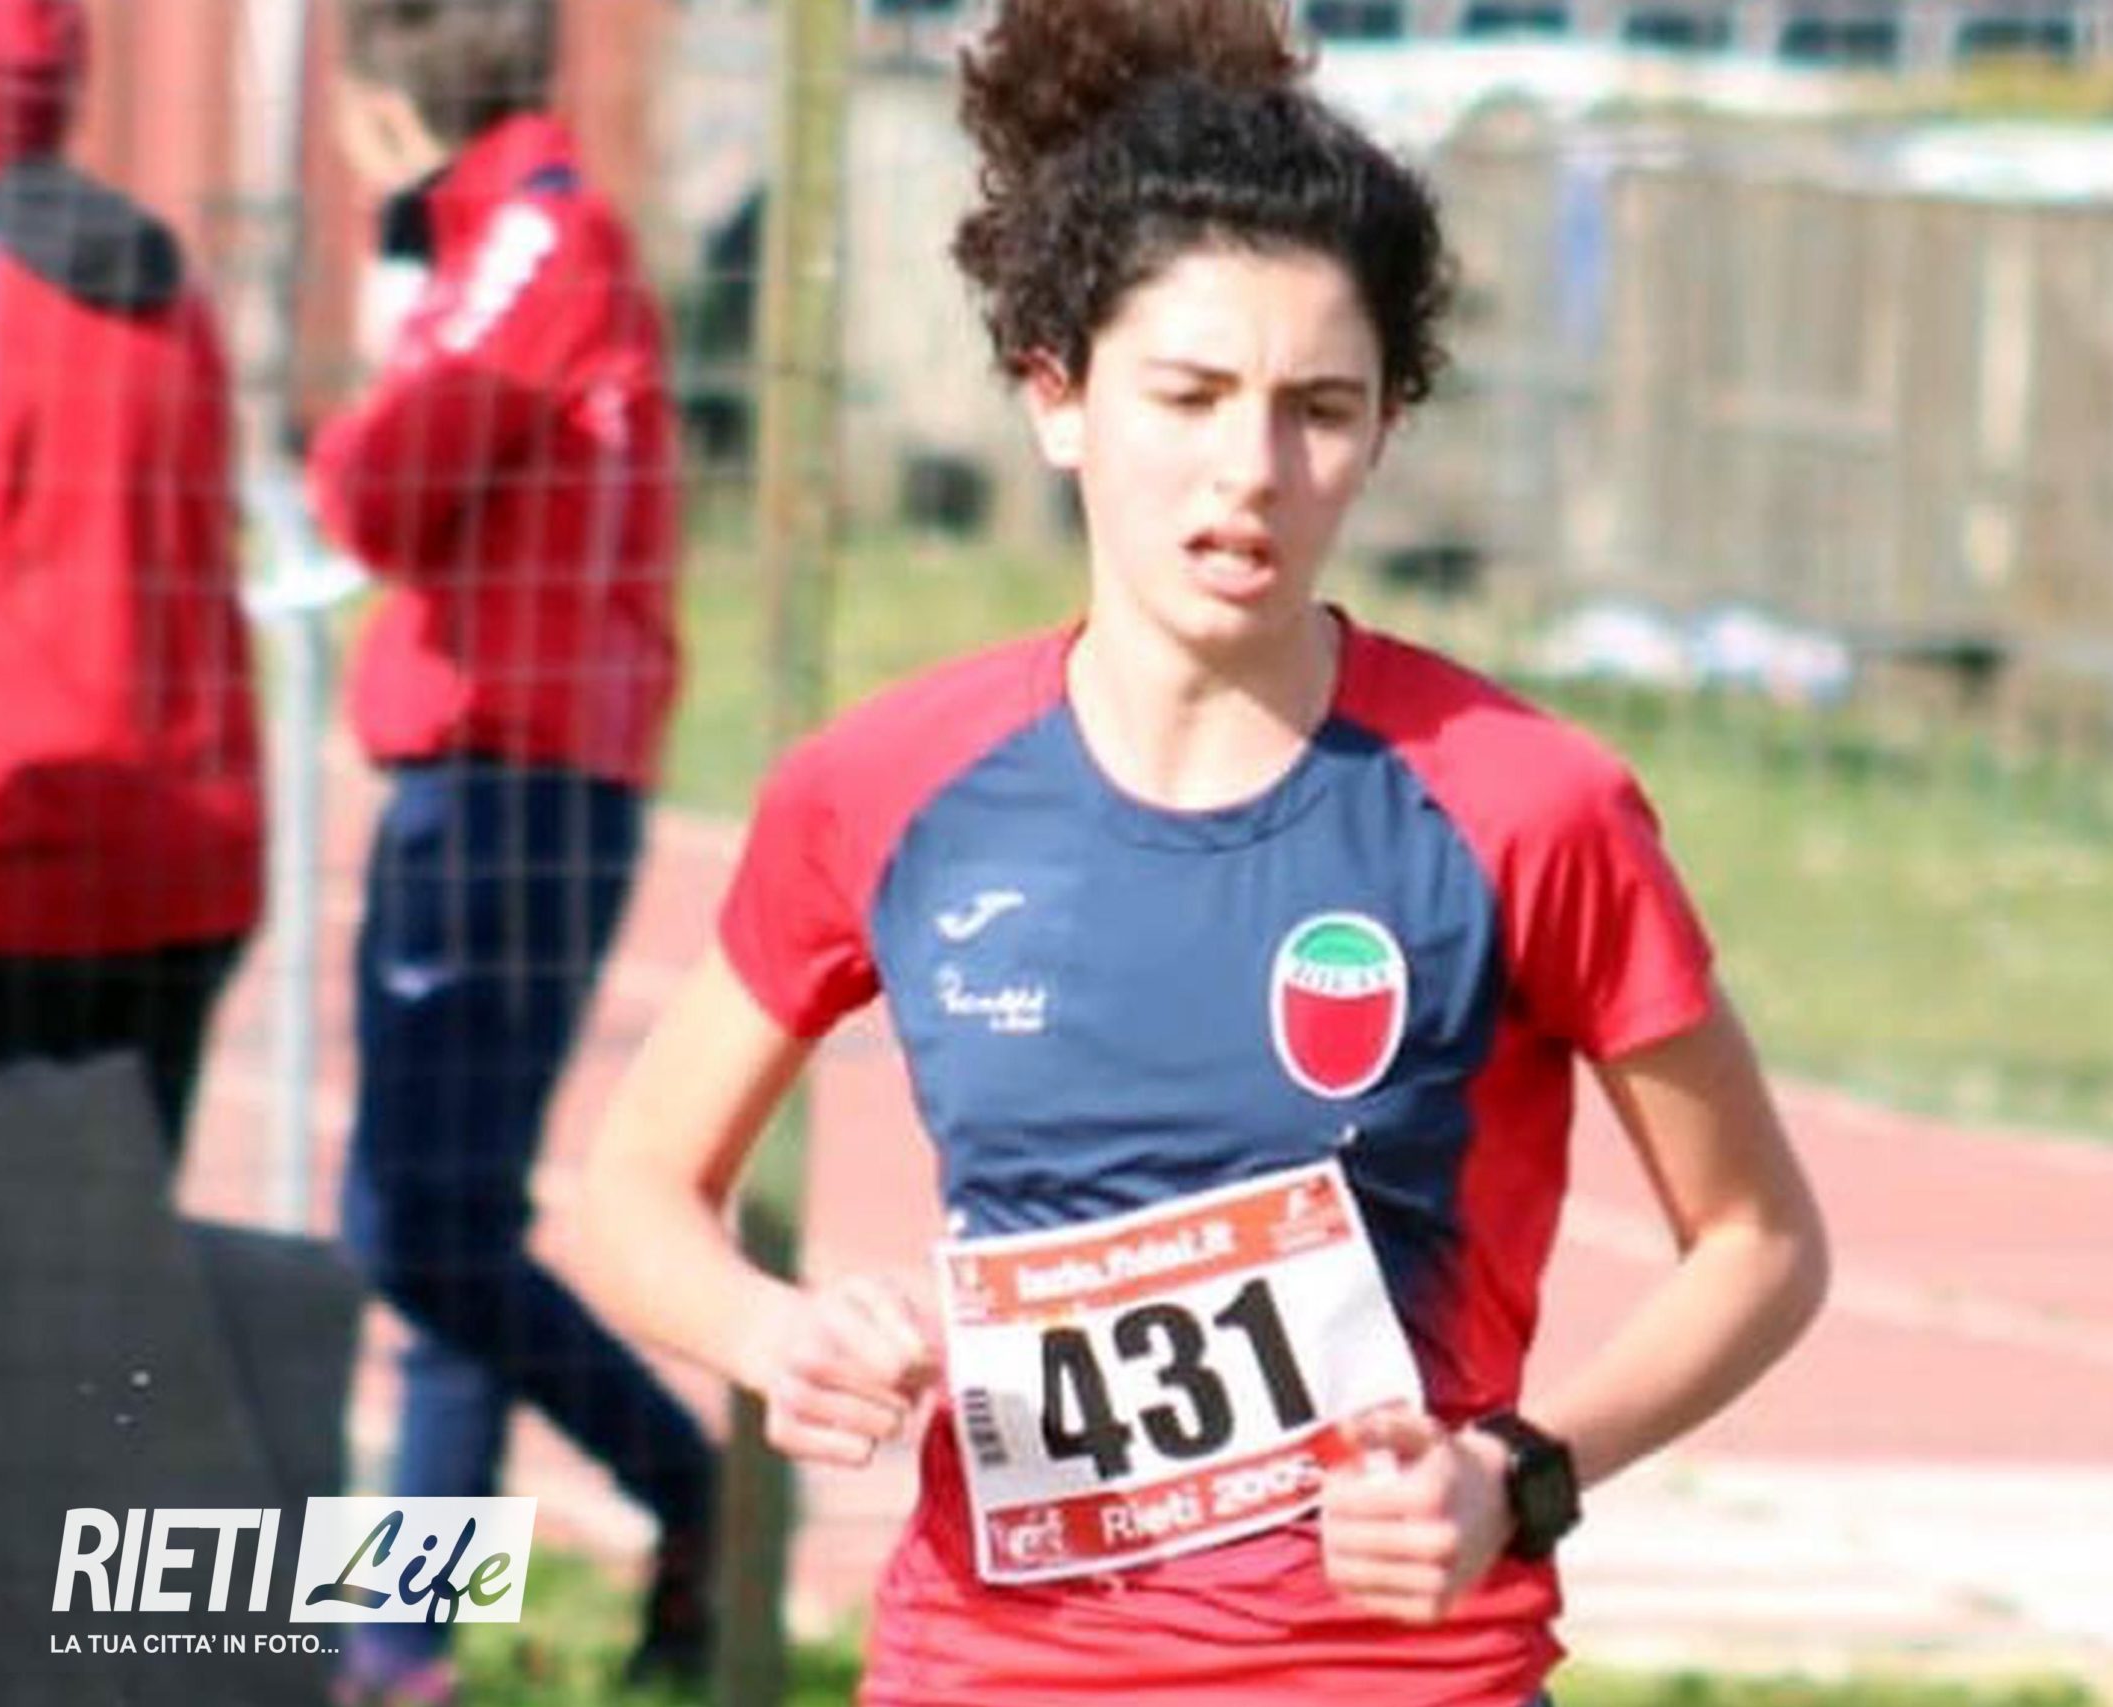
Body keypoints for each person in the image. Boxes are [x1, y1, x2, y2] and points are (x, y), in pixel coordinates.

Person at [579, 2, 1829, 1702]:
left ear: (1387, 430)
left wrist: (1515, 1473)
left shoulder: (1526, 805)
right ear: (1057, 396)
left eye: (1321, 407)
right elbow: (633, 1191)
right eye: (1189, 394)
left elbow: (1759, 1241)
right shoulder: (888, 787)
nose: (1251, 470)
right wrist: (774, 1332)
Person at [306, 1, 712, 1699]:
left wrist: (351, 425)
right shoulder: (496, 234)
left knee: (422, 1220)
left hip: (517, 786)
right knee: (434, 1213)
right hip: (489, 773)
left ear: (383, 95)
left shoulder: (537, 234)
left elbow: (376, 487)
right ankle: (406, 1641)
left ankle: (689, 1491)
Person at [0, 0, 261, 1155]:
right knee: (104, 1241)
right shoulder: (165, 279)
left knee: (3, 1246)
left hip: (13, 863)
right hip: (182, 852)